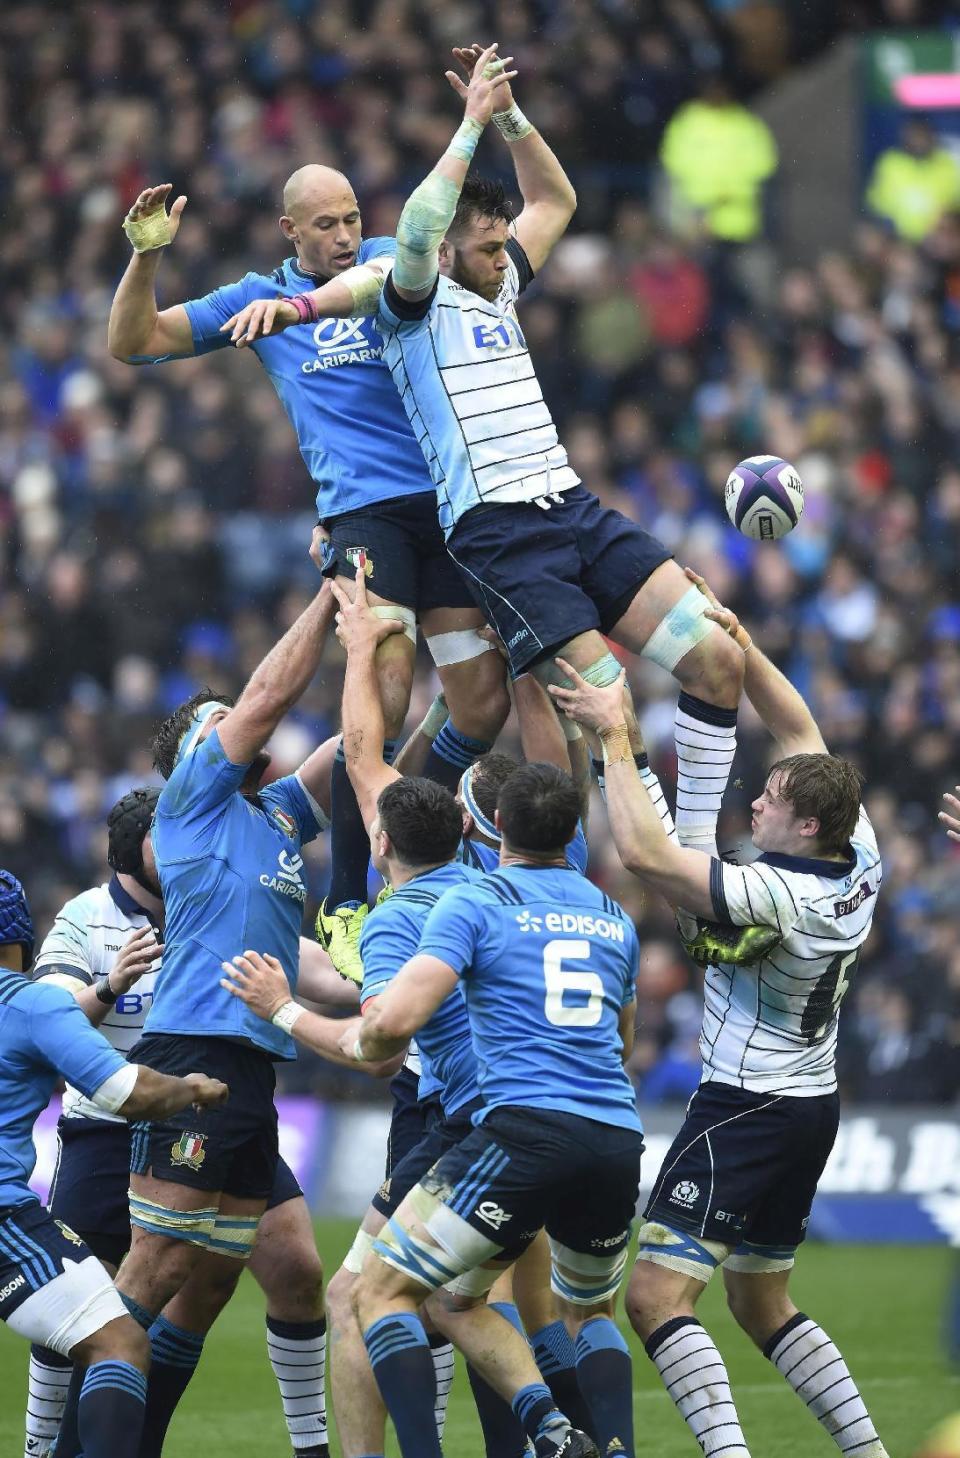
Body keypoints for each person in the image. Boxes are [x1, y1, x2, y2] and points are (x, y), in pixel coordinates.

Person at [224, 43, 747, 871]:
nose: (507, 259)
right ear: (443, 253)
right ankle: (666, 877)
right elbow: (420, 228)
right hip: (501, 534)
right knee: (606, 714)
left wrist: (507, 115)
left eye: (507, 245)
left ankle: (696, 851)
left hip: (571, 507)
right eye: (490, 246)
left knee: (721, 659)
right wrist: (467, 127)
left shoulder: (497, 284)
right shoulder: (411, 302)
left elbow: (557, 196)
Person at [107, 123, 511, 984]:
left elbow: (492, 246)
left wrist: (487, 127)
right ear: (290, 232)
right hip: (365, 519)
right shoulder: (257, 297)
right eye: (323, 225)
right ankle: (353, 896)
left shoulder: (389, 263)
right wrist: (145, 258)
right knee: (388, 689)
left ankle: (413, 804)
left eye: (350, 218)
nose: (340, 236)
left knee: (479, 706)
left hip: (450, 505)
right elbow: (133, 342)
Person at [550, 575, 890, 1458]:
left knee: (656, 1297)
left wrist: (615, 738)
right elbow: (802, 731)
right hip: (810, 1103)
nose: (756, 804)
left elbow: (646, 855)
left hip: (745, 1106)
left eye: (772, 801)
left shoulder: (775, 892)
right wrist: (742, 642)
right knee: (759, 1301)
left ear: (806, 825)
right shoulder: (860, 854)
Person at [320, 757, 643, 1458]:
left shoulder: (478, 900)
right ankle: (597, 1443)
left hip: (521, 1129)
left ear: (493, 824)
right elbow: (624, 1037)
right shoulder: (613, 915)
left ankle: (525, 1435)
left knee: (376, 1290)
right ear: (574, 833)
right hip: (617, 1136)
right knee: (582, 1312)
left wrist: (328, 1022)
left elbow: (394, 1024)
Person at [83, 582, 339, 1458]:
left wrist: (395, 638)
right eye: (218, 719)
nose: (242, 721)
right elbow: (268, 697)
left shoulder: (272, 818)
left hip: (254, 1071)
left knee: (253, 1274)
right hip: (192, 1054)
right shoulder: (193, 796)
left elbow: (354, 752)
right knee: (151, 1276)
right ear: (195, 749)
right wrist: (330, 597)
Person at [24, 789, 349, 1458]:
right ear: (129, 852)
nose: (181, 845)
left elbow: (313, 967)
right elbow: (48, 1025)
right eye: (164, 837)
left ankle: (306, 1446)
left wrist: (383, 977)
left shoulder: (215, 901)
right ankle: (42, 1446)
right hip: (109, 1124)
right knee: (81, 1308)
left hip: (211, 1111)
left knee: (293, 1266)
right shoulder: (85, 917)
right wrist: (111, 985)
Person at [0, 869, 226, 1458]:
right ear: (20, 936)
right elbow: (129, 1093)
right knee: (121, 1344)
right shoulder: (29, 1004)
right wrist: (194, 1088)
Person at [867, 119, 960, 244]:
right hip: (897, 240)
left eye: (923, 137)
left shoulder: (946, 163)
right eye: (914, 137)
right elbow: (876, 204)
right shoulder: (891, 163)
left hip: (939, 240)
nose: (919, 142)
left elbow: (955, 204)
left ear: (932, 137)